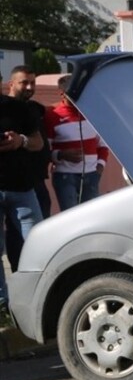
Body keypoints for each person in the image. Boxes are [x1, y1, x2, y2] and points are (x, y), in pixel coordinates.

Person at [1, 77, 46, 306]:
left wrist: (21, 140)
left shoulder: (18, 108)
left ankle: (41, 299)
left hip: (22, 189)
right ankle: (2, 303)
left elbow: (38, 143)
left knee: (38, 245)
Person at [5, 65, 52, 272]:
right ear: (11, 83)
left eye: (32, 82)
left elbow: (40, 142)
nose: (30, 87)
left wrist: (21, 141)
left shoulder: (32, 109)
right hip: (10, 184)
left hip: (29, 185)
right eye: (25, 82)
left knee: (38, 239)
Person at [46, 75, 110, 211]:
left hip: (92, 175)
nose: (77, 95)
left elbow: (103, 144)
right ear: (62, 94)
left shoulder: (92, 114)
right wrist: (61, 154)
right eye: (73, 92)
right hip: (65, 177)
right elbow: (45, 150)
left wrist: (100, 167)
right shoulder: (53, 116)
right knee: (71, 218)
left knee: (91, 216)